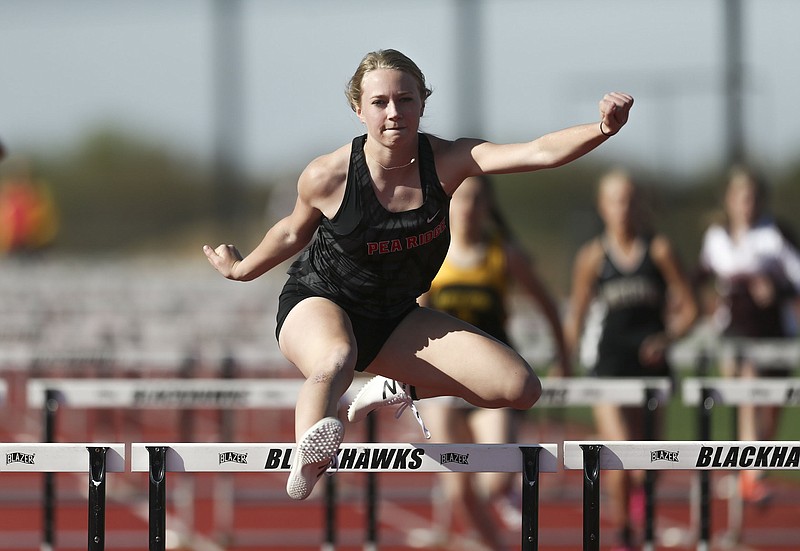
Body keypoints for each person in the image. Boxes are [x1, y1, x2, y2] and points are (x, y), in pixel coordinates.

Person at [204, 48, 633, 500]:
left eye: (405, 100)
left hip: (394, 317)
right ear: (358, 109)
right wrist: (242, 268)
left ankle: (394, 384)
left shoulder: (448, 162)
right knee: (335, 358)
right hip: (320, 301)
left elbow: (538, 151)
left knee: (520, 387)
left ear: (423, 103)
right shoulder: (328, 175)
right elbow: (292, 231)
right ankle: (308, 459)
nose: (394, 113)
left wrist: (603, 128)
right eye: (380, 102)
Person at [413, 174, 569, 550]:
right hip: (442, 382)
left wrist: (563, 356)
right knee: (457, 486)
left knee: (497, 476)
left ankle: (493, 511)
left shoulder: (504, 253)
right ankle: (493, 545)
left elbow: (548, 304)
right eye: (461, 199)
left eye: (476, 200)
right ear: (448, 205)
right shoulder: (431, 255)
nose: (467, 209)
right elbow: (413, 319)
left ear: (487, 207)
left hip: (491, 381)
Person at [563, 169, 697, 550]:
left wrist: (667, 337)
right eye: (616, 200)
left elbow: (691, 309)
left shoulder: (660, 250)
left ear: (641, 205)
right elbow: (577, 316)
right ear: (603, 206)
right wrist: (563, 359)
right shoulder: (592, 256)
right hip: (608, 368)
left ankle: (637, 507)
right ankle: (625, 532)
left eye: (631, 199)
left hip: (651, 369)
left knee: (650, 464)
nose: (624, 208)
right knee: (622, 450)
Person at [696, 164, 800, 504]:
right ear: (729, 200)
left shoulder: (775, 234)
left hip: (774, 333)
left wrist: (777, 290)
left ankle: (751, 469)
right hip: (733, 331)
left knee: (771, 408)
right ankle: (752, 472)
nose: (747, 204)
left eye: (753, 197)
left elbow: (796, 280)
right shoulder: (716, 238)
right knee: (746, 385)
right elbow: (695, 277)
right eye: (741, 197)